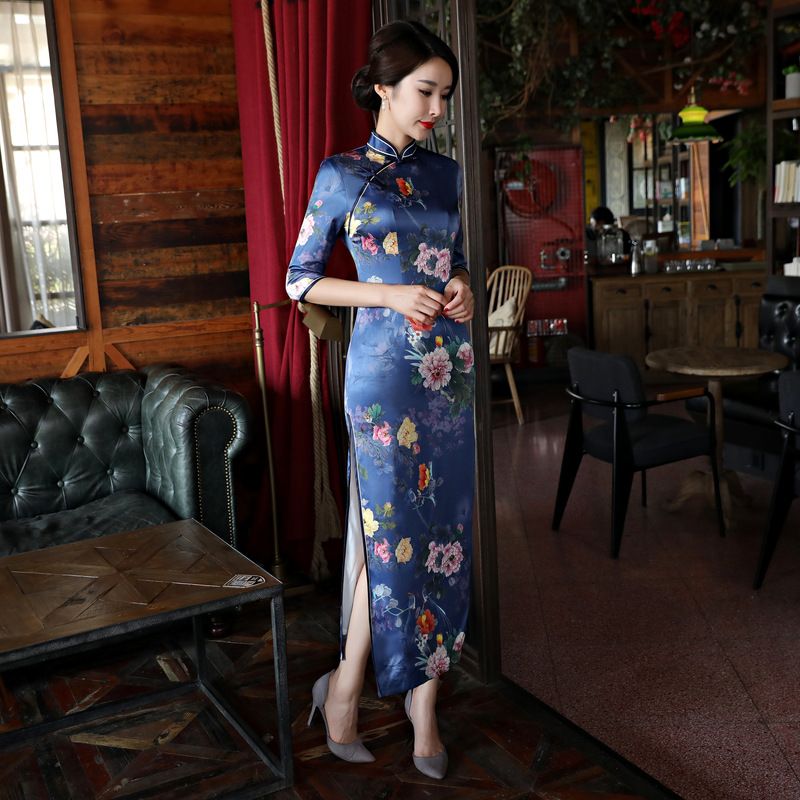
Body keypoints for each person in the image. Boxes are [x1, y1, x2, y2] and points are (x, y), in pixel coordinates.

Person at [285, 20, 475, 780]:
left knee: (443, 536)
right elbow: (301, 279)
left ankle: (421, 704)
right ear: (383, 90)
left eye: (445, 96)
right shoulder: (342, 174)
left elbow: (453, 260)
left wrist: (460, 286)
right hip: (382, 378)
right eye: (426, 92)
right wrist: (390, 294)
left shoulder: (446, 174)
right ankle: (347, 690)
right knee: (389, 538)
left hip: (447, 374)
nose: (437, 108)